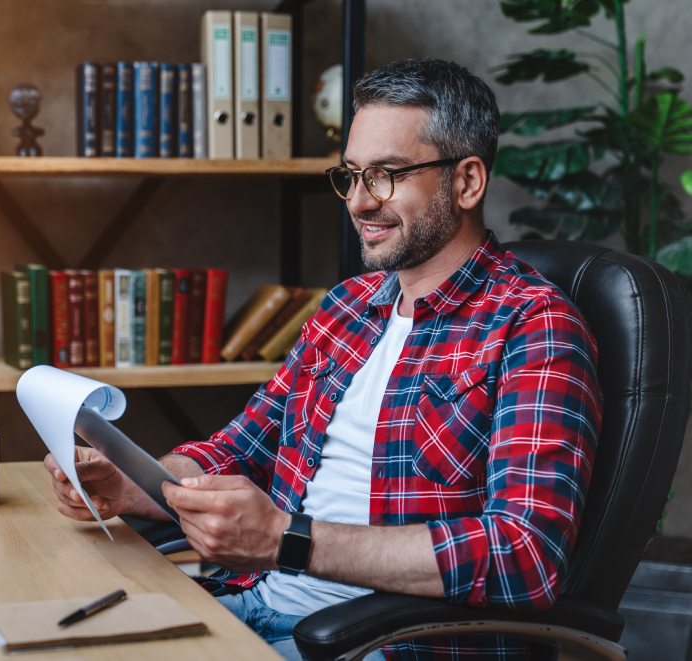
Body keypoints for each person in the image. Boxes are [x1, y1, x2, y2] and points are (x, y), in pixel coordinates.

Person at [44, 58, 601, 661]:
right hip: (252, 600)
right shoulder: (347, 307)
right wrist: (132, 483)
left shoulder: (535, 325)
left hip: (386, 645)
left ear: (467, 182)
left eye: (387, 175)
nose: (360, 202)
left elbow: (525, 556)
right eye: (352, 176)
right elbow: (241, 450)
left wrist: (288, 541)